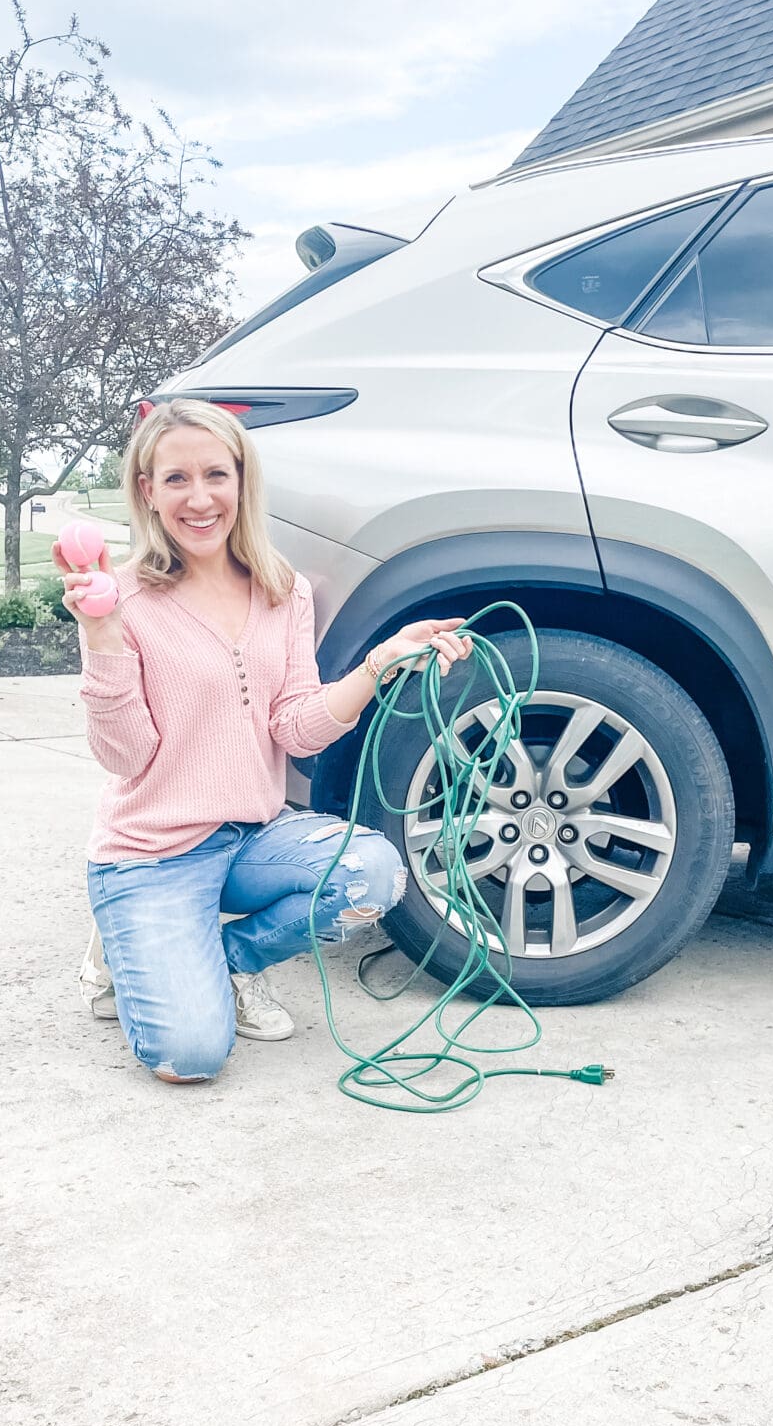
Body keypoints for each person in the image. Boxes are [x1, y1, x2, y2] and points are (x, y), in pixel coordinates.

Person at [56, 398, 472, 1086]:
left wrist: (379, 665)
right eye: (176, 479)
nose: (199, 498)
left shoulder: (285, 591)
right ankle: (121, 949)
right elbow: (124, 757)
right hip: (151, 854)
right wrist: (100, 636)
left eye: (216, 474)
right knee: (188, 1057)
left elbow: (293, 726)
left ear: (243, 482)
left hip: (251, 835)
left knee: (373, 873)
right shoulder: (118, 598)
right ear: (147, 491)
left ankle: (228, 960)